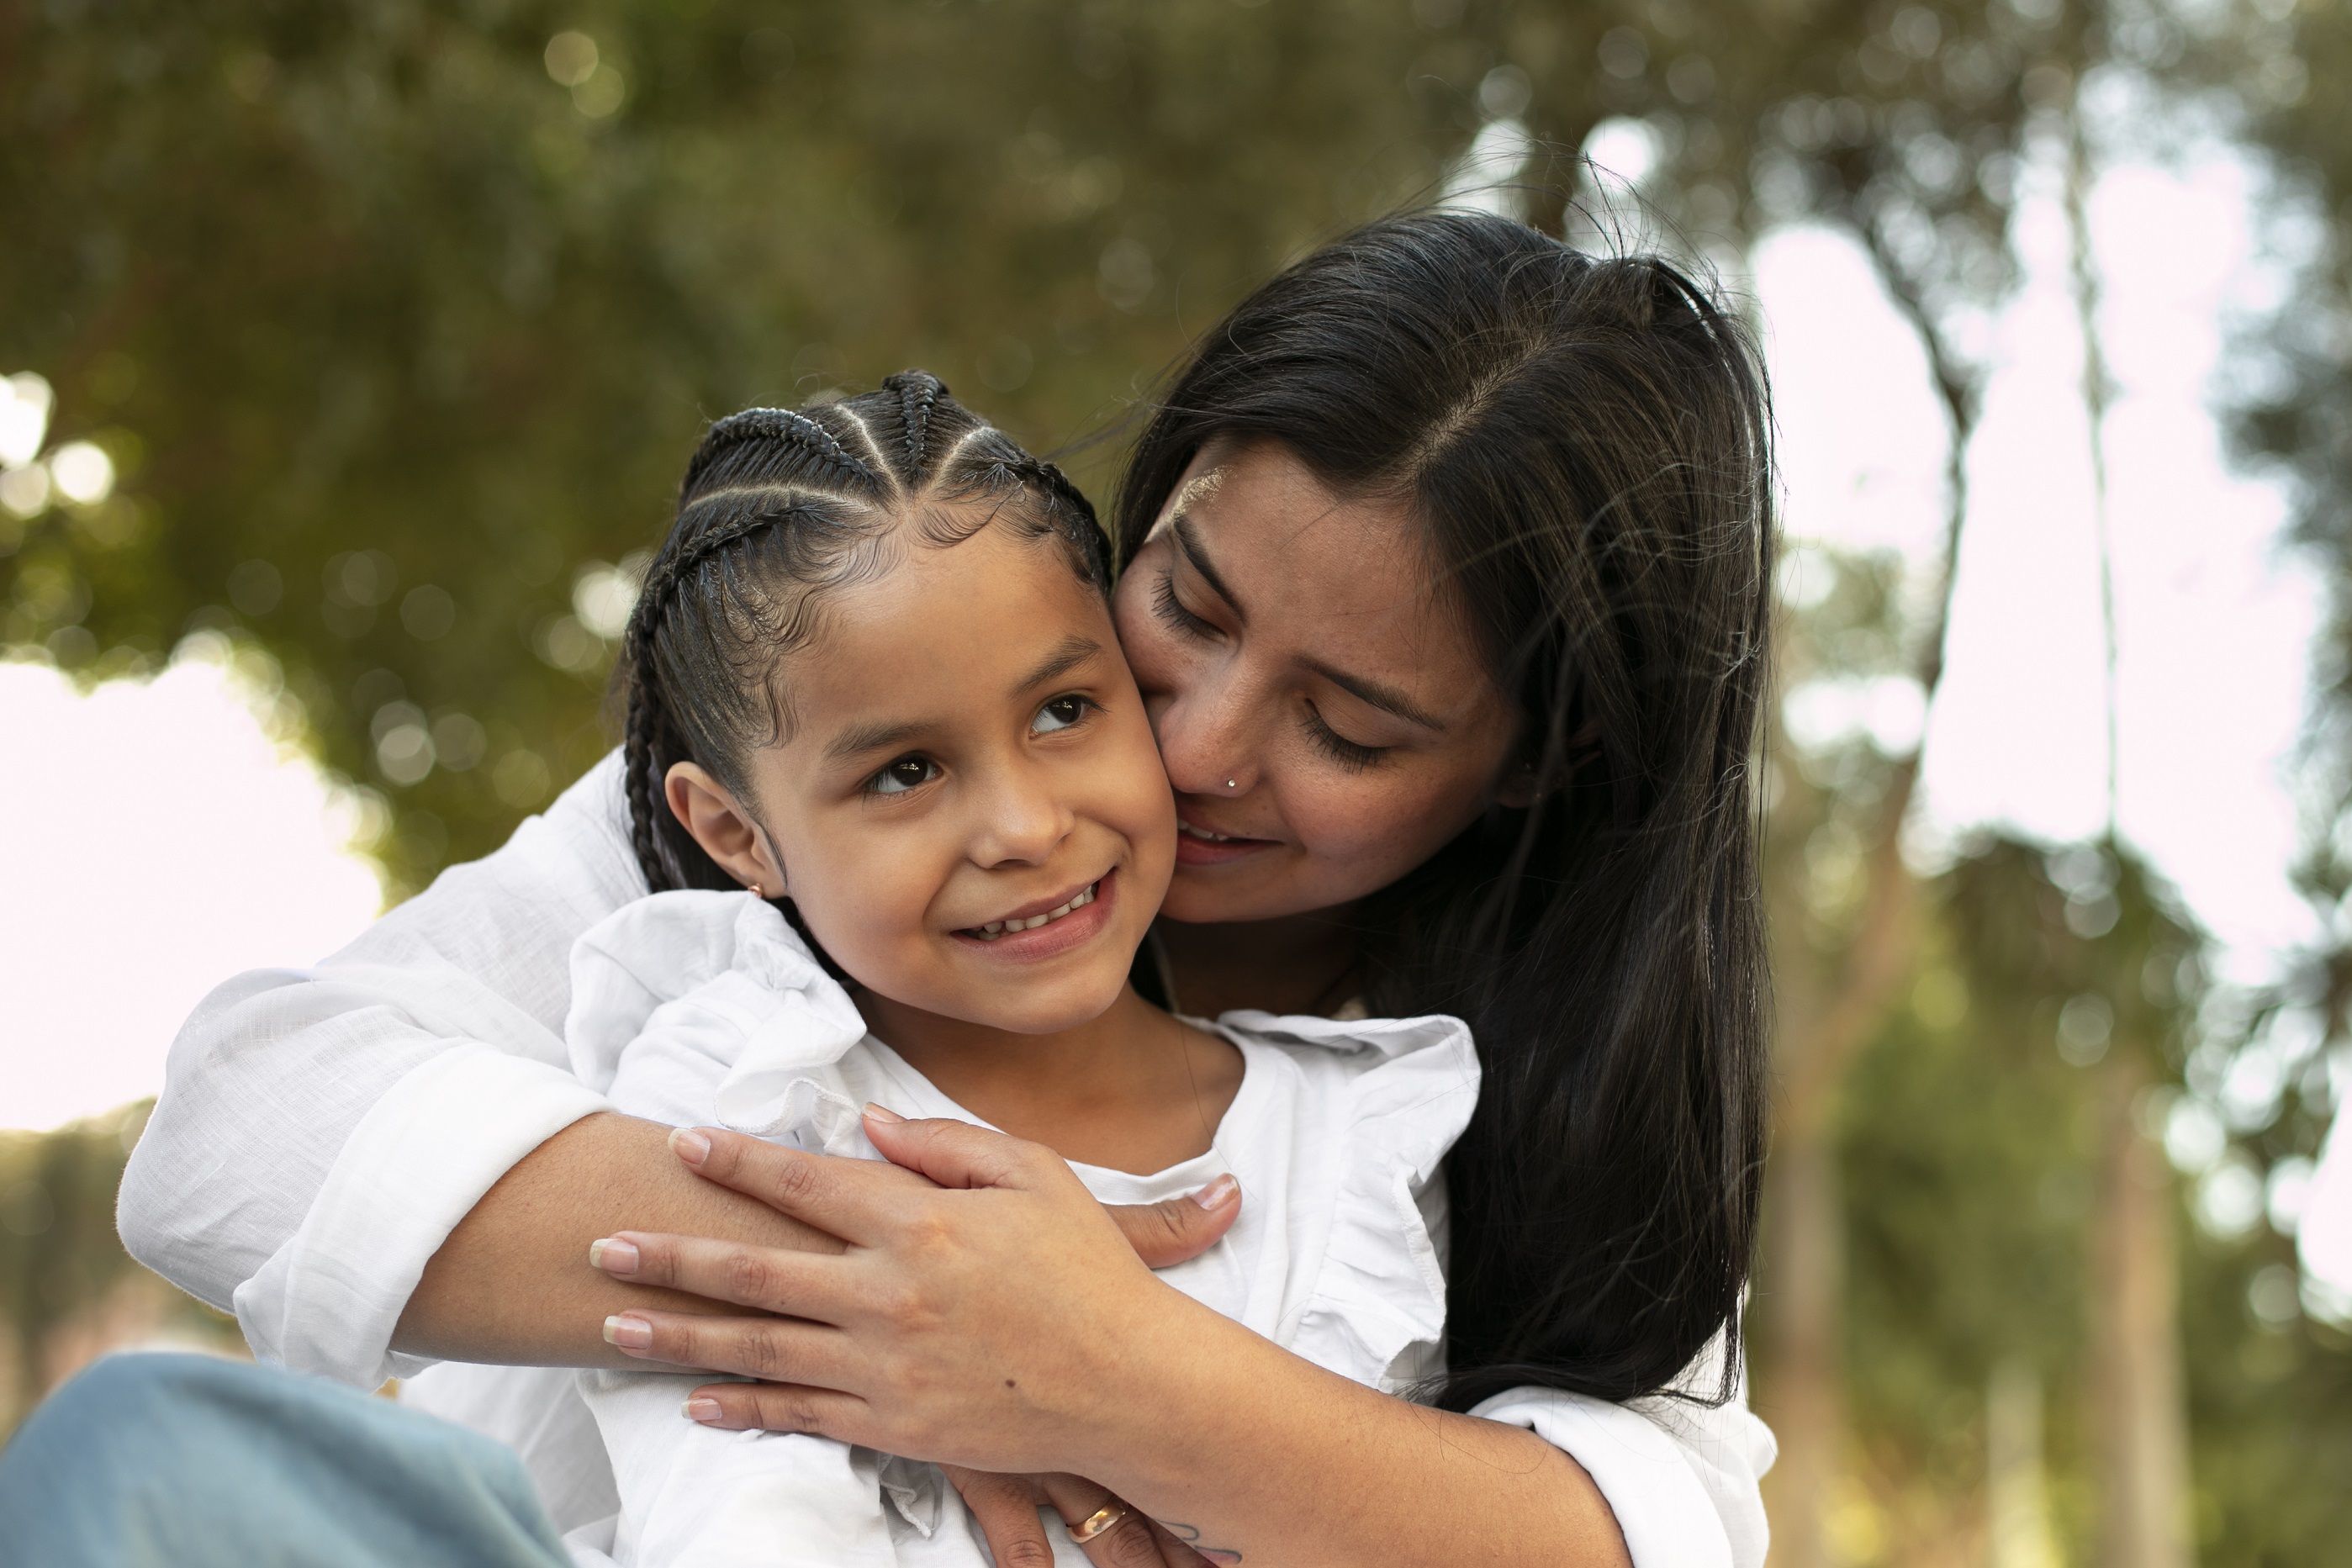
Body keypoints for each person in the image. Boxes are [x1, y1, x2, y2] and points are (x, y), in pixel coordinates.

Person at [109, 209, 1777, 1568]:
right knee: (139, 1466)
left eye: (1343, 726)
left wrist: (1118, 1378)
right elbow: (238, 1133)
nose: (1189, 750)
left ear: (1534, 763)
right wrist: (904, 1282)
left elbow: (1659, 1522)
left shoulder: (1514, 1081)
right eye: (1184, 610)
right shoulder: (792, 830)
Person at [561, 383, 1479, 1564]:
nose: (1023, 825)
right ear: (736, 834)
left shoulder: (1363, 1130)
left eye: (1062, 709)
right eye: (903, 771)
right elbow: (734, 1511)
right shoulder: (748, 1090)